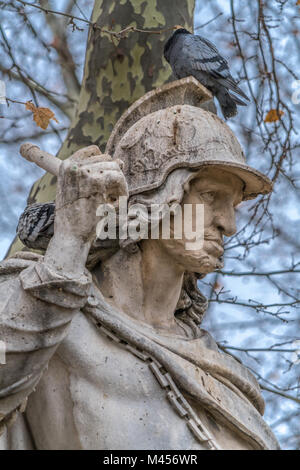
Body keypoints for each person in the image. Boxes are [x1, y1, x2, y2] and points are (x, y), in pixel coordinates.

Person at [0, 79, 279, 450]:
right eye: (211, 196)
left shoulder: (229, 381)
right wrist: (67, 247)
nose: (228, 224)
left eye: (234, 206)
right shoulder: (42, 307)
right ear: (154, 199)